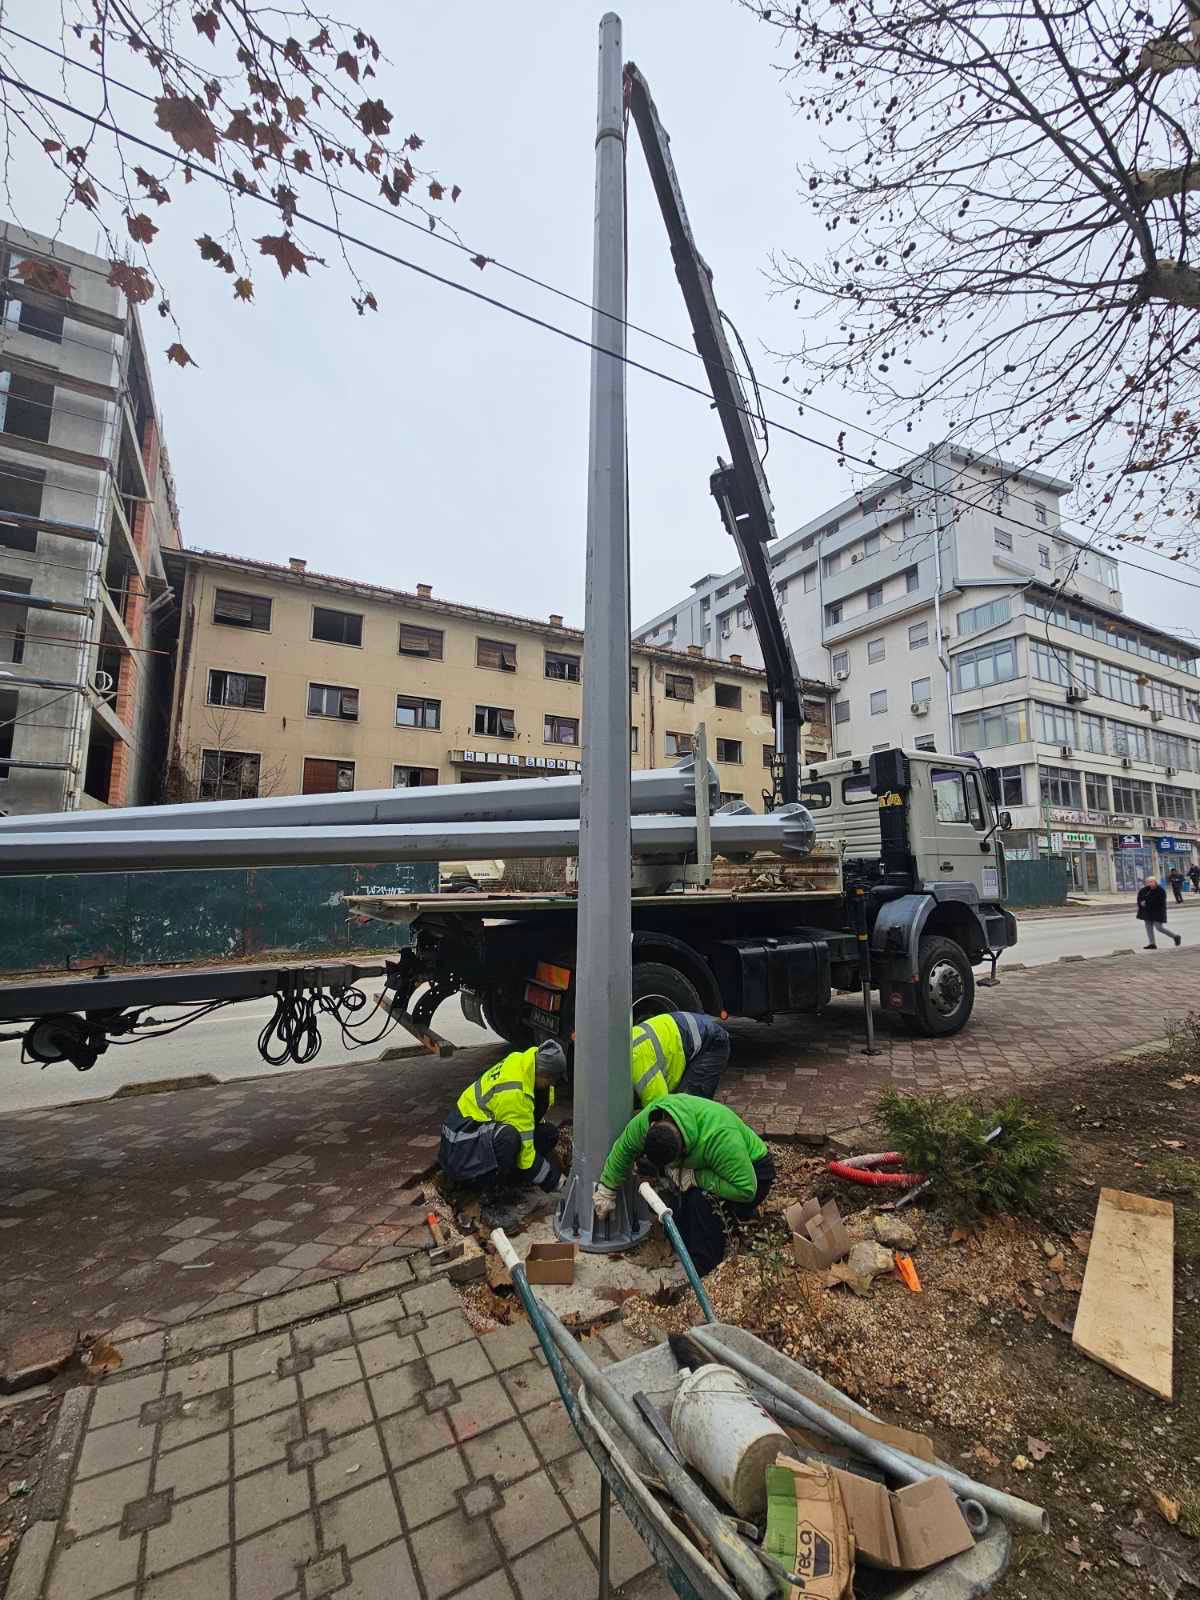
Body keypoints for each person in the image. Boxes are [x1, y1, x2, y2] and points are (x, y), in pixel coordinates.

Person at [592, 1093, 774, 1275]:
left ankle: (704, 1269)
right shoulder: (650, 1118)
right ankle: (723, 1222)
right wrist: (607, 1188)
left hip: (754, 1175)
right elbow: (625, 1148)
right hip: (715, 1167)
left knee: (700, 1201)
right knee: (681, 1221)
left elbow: (746, 1189)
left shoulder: (718, 1138)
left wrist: (697, 1178)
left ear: (684, 1150)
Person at [438, 1039, 568, 1192]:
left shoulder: (525, 1062)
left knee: (548, 1133)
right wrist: (555, 1181)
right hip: (460, 1145)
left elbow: (529, 1126)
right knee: (508, 1138)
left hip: (476, 1133)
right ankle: (486, 1188)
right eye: (551, 1081)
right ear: (544, 1074)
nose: (551, 1085)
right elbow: (526, 1156)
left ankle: (514, 1176)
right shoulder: (515, 1093)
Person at [630, 1012, 730, 1107]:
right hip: (685, 1029)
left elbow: (659, 1104)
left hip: (711, 1042)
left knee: (685, 1107)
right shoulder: (624, 1045)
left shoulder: (636, 1061)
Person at [1137, 875, 1181, 950]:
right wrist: (1141, 903)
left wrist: (1146, 902)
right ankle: (1152, 943)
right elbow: (1140, 898)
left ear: (1155, 882)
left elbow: (1159, 901)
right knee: (1148, 927)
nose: (1149, 883)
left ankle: (1175, 936)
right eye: (1148, 882)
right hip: (1147, 912)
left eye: (1151, 882)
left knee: (1159, 928)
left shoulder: (1160, 890)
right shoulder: (1144, 890)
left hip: (1157, 912)